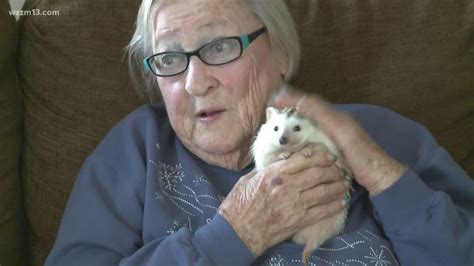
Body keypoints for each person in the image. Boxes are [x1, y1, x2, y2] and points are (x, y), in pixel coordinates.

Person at [45, 0, 474, 265]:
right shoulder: (135, 151)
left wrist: (382, 177)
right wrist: (231, 237)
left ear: (281, 53)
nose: (195, 82)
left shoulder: (376, 132)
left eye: (219, 46)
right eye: (170, 58)